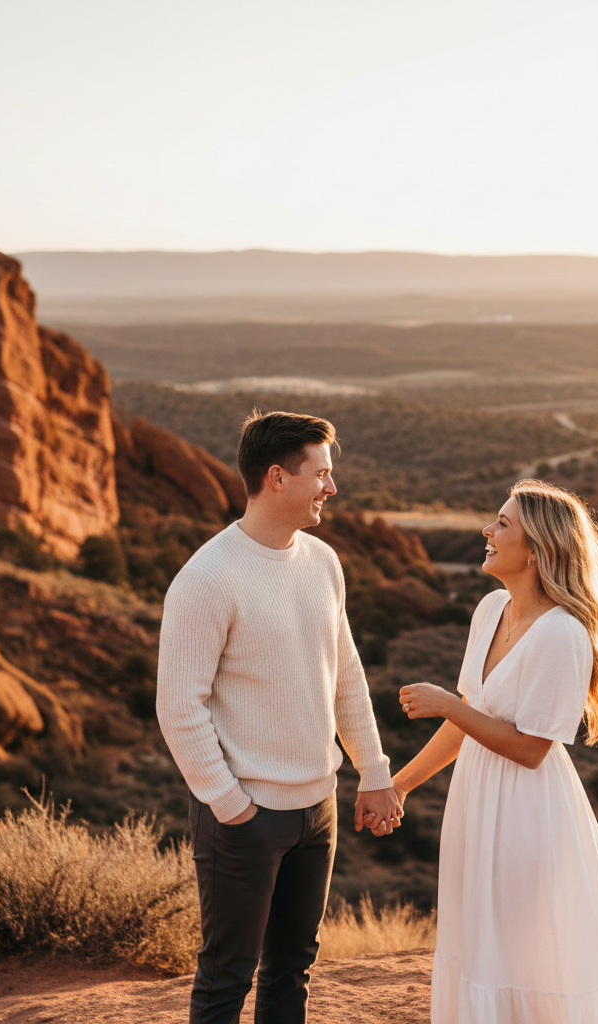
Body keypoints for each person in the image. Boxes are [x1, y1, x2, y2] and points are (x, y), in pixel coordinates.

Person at [395, 479, 598, 1023]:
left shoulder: (561, 634)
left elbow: (529, 748)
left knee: (525, 954)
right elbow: (469, 721)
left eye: (501, 523)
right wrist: (400, 786)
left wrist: (446, 704)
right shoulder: (489, 610)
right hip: (476, 805)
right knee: (480, 941)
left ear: (536, 550)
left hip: (526, 814)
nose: (487, 529)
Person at [157, 410, 403, 1024]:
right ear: (276, 478)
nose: (331, 486)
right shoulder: (207, 578)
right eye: (321, 473)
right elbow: (179, 706)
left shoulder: (322, 562)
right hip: (246, 816)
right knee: (225, 979)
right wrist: (230, 804)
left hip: (317, 810)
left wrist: (373, 771)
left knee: (292, 969)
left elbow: (344, 672)